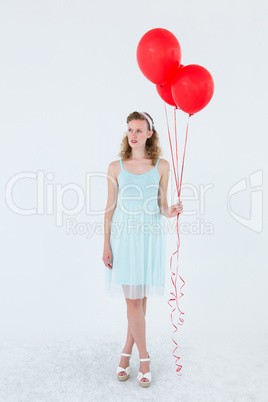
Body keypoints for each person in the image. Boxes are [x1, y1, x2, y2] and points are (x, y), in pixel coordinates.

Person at [102, 111, 183, 387]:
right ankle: (144, 358)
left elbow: (161, 205)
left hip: (149, 238)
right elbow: (109, 209)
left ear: (150, 133)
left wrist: (170, 212)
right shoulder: (116, 167)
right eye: (130, 130)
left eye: (139, 130)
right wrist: (106, 245)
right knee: (133, 301)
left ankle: (126, 353)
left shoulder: (162, 166)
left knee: (140, 300)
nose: (133, 135)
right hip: (124, 239)